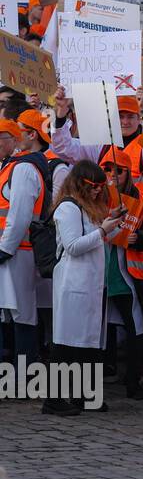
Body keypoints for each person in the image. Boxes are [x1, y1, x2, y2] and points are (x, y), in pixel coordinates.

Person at [44, 161, 125, 415]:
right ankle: (54, 399)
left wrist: (113, 223)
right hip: (73, 282)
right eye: (93, 186)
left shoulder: (88, 208)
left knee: (89, 342)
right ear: (80, 183)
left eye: (101, 187)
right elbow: (73, 245)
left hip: (91, 283)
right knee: (67, 342)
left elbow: (98, 240)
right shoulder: (68, 208)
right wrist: (103, 230)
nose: (98, 191)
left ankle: (85, 395)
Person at [100, 147, 143, 401]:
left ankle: (133, 380)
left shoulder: (141, 203)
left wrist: (138, 237)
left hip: (127, 276)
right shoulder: (94, 198)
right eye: (106, 169)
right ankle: (98, 375)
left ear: (127, 173)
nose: (112, 174)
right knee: (97, 330)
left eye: (118, 170)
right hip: (99, 274)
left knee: (136, 329)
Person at [0, 116, 49, 365]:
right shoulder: (9, 167)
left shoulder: (23, 168)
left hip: (20, 251)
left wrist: (4, 249)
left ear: (12, 140)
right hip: (12, 250)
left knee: (22, 313)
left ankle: (25, 373)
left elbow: (20, 215)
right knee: (10, 311)